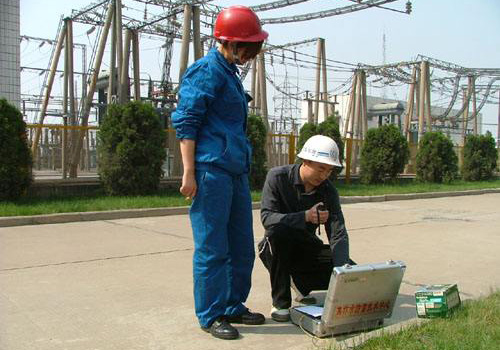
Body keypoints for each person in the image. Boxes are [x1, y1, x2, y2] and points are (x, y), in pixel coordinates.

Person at [171, 5, 268, 340]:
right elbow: (187, 123)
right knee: (212, 247)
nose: (251, 54)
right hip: (211, 171)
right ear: (231, 43)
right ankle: (211, 314)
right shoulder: (205, 71)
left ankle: (231, 305)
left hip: (235, 172)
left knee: (240, 245)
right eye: (249, 47)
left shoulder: (229, 73)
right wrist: (188, 173)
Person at [258, 134, 354, 322]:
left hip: (308, 247)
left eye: (329, 170)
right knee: (279, 232)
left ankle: (299, 282)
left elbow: (338, 233)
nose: (324, 175)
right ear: (305, 161)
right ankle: (281, 302)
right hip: (276, 247)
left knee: (351, 276)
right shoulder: (277, 178)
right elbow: (267, 217)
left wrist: (342, 273)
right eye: (320, 169)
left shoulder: (328, 191)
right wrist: (305, 217)